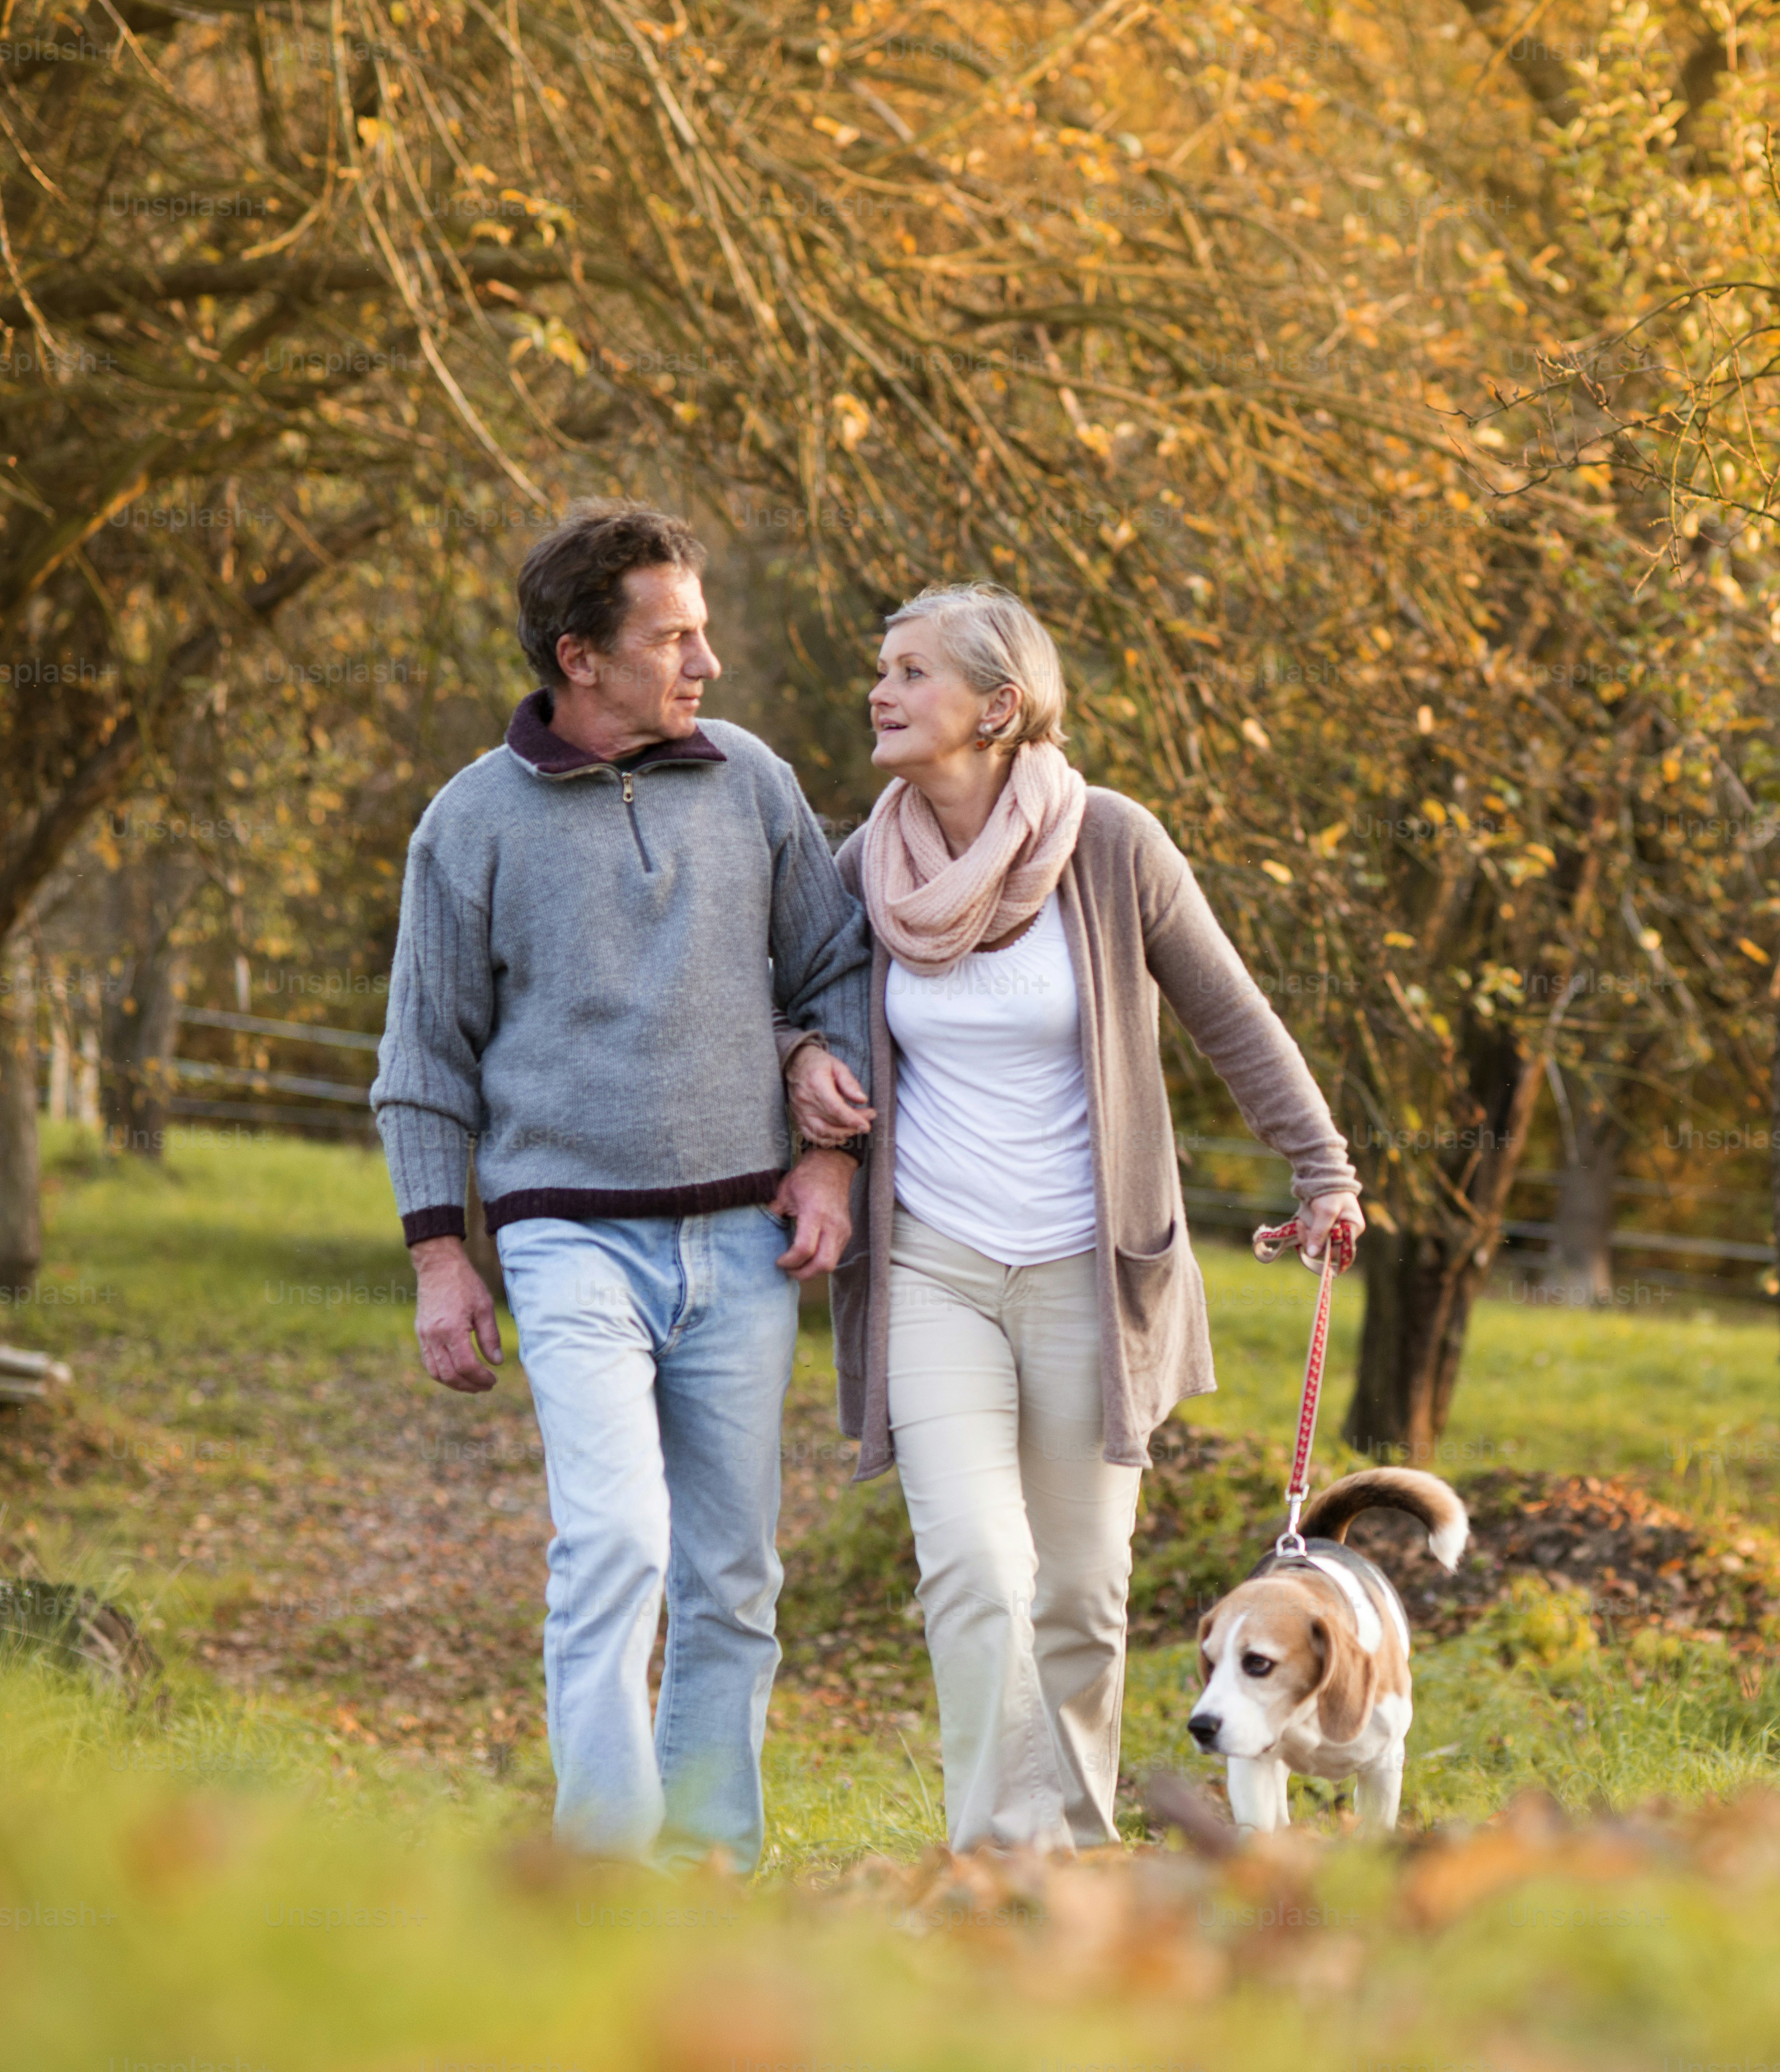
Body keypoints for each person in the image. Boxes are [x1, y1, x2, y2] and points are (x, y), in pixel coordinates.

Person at [780, 580, 1359, 1853]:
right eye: (883, 669)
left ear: (999, 706)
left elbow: (1231, 1015)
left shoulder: (1109, 844)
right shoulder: (859, 866)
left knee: (1086, 1595)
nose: (880, 692)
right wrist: (796, 1063)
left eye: (911, 671)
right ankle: (1001, 1855)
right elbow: (792, 998)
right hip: (932, 1266)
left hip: (1092, 1277)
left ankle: (1081, 1848)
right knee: (977, 1574)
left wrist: (1324, 1170)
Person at [373, 500, 871, 1870]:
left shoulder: (755, 782)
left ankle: (705, 1861)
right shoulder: (469, 823)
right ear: (579, 656)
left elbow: (836, 971)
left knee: (734, 1575)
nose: (705, 663)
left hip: (743, 1243)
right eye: (675, 639)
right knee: (614, 1541)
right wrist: (437, 1256)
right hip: (567, 1242)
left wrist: (829, 1153)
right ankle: (598, 1864)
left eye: (704, 634)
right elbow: (424, 1054)